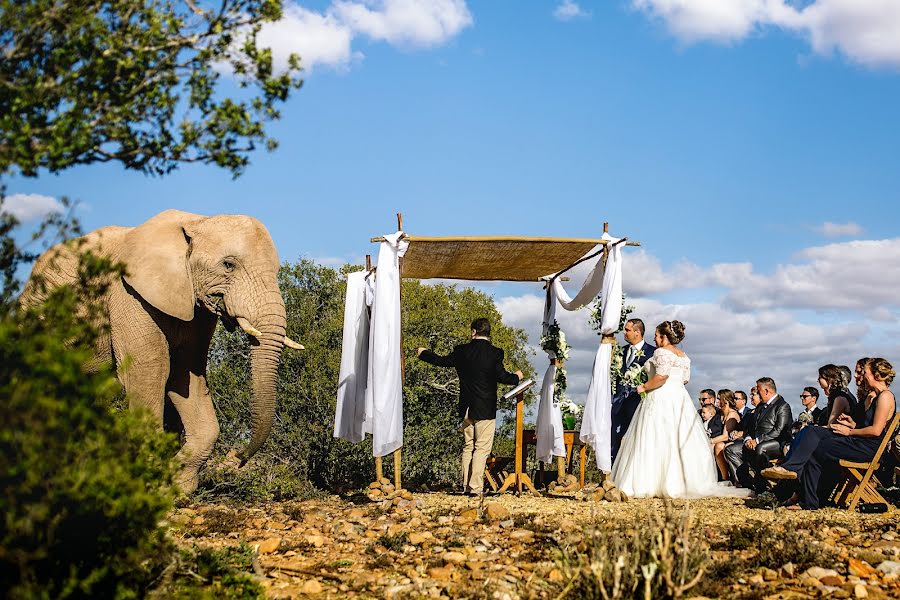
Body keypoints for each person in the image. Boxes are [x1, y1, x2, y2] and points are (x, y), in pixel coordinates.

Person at [610, 320, 749, 498]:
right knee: (676, 439)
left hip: (659, 397)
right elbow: (684, 380)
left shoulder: (661, 352)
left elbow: (661, 377)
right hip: (679, 399)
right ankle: (681, 482)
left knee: (654, 437)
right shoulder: (684, 356)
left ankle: (649, 482)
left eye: (657, 335)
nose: (654, 337)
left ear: (664, 337)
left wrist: (642, 388)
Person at [763, 358, 896, 510]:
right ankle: (793, 475)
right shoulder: (872, 397)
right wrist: (851, 423)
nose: (861, 376)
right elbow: (867, 425)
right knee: (812, 432)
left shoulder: (885, 396)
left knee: (820, 448)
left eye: (865, 373)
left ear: (877, 375)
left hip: (868, 448)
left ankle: (806, 498)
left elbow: (876, 430)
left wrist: (850, 431)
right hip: (859, 440)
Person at [416, 318, 523, 496]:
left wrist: (424, 353)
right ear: (488, 333)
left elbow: (441, 361)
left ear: (474, 331)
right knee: (481, 448)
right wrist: (517, 376)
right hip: (485, 408)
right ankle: (475, 488)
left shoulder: (461, 351)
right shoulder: (495, 353)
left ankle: (466, 485)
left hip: (466, 407)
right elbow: (503, 377)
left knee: (468, 446)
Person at [723, 377, 792, 491]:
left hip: (777, 442)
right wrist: (748, 439)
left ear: (766, 391)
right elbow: (751, 428)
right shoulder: (760, 406)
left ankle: (762, 486)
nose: (757, 394)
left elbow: (779, 431)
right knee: (731, 450)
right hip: (755, 440)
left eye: (759, 390)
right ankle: (744, 484)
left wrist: (758, 440)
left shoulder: (782, 406)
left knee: (760, 448)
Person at [610, 318, 655, 461]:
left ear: (637, 332)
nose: (624, 333)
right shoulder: (621, 351)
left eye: (627, 330)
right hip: (618, 403)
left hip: (639, 404)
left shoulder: (653, 352)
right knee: (615, 438)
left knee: (638, 440)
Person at [710, 389, 741, 480]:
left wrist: (709, 441)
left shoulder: (732, 414)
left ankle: (725, 478)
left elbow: (725, 436)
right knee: (712, 446)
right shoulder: (720, 413)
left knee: (717, 446)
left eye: (719, 399)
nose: (717, 401)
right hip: (725, 440)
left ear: (726, 401)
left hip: (735, 441)